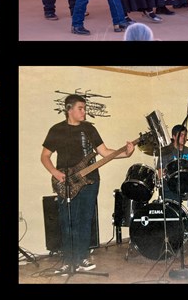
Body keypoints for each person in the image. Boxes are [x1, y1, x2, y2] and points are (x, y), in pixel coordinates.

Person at [41, 94, 135, 274]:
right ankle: (68, 261)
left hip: (91, 181)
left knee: (85, 220)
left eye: (84, 108)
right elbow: (45, 156)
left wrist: (126, 153)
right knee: (68, 220)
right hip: (67, 181)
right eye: (80, 108)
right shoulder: (57, 130)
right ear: (69, 109)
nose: (84, 111)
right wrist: (56, 172)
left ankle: (82, 258)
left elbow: (105, 152)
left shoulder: (89, 129)